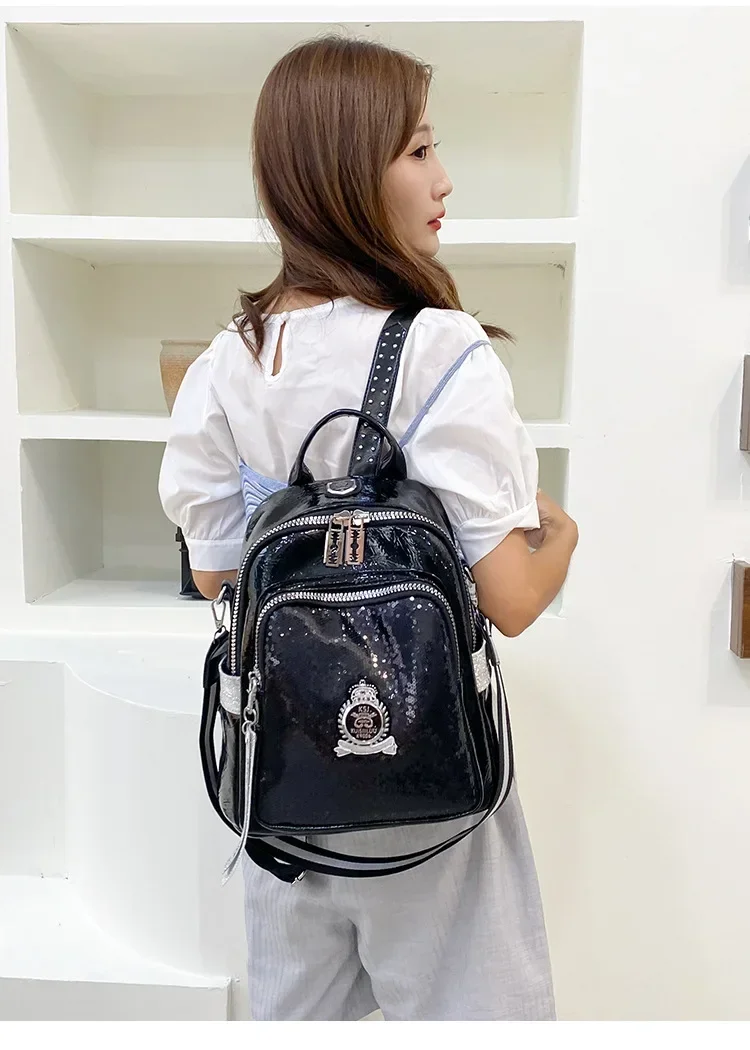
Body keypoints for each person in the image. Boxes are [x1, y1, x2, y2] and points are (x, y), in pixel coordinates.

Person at [159, 34, 578, 1023]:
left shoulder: (225, 364)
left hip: (287, 786)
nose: (444, 179)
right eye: (419, 150)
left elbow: (217, 576)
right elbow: (511, 601)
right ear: (347, 171)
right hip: (433, 786)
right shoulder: (441, 349)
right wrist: (561, 535)